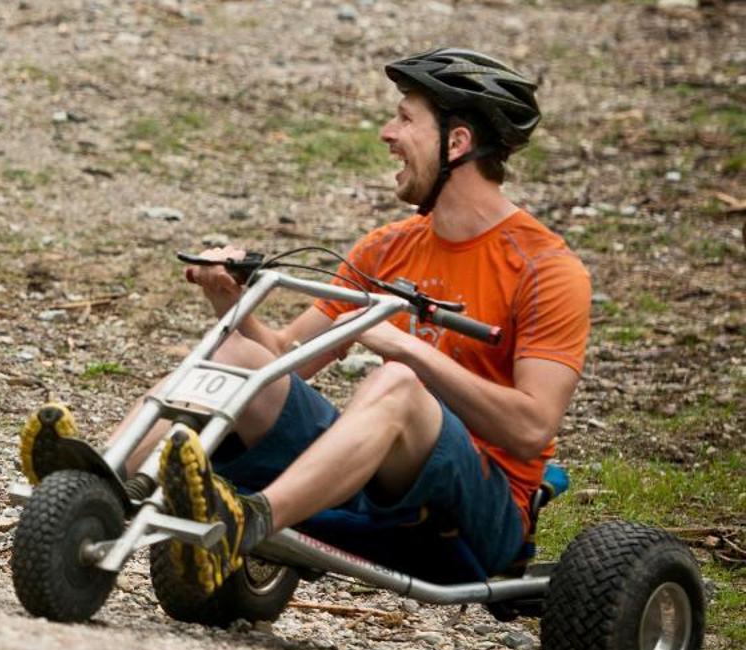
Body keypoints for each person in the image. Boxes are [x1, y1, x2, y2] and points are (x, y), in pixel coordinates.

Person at [143, 48, 591, 595]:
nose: (387, 132)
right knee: (237, 354)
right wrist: (231, 302)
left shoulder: (547, 269)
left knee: (398, 384)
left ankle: (253, 518)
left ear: (457, 143)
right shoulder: (387, 249)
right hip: (378, 482)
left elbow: (531, 429)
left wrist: (406, 350)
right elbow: (285, 358)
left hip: (482, 514)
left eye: (405, 119)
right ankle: (104, 485)